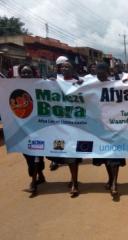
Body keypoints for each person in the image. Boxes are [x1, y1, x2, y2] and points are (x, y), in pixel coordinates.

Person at [46, 60, 82, 198]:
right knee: (60, 151)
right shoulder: (54, 81)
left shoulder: (79, 82)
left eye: (68, 66)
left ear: (72, 69)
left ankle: (74, 182)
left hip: (74, 125)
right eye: (63, 67)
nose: (65, 69)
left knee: (72, 154)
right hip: (58, 125)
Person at [92, 63, 126, 199]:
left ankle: (114, 184)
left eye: (103, 70)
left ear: (108, 72)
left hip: (115, 125)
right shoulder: (91, 85)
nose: (100, 73)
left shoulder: (116, 85)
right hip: (99, 126)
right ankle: (110, 179)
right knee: (106, 156)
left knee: (115, 155)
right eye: (98, 70)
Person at [18, 64, 46, 197]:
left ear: (33, 74)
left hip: (38, 129)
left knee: (35, 154)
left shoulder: (40, 85)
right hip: (22, 129)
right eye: (23, 73)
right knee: (28, 156)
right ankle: (40, 175)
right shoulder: (14, 87)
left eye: (28, 73)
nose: (25, 75)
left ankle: (33, 183)